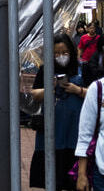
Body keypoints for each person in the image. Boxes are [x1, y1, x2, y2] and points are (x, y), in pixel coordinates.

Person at [30, 33, 86, 190]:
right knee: (52, 178)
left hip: (75, 130)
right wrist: (51, 88)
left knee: (74, 180)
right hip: (52, 131)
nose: (61, 56)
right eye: (56, 53)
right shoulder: (45, 70)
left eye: (64, 52)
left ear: (71, 51)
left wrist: (78, 90)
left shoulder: (83, 68)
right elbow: (35, 94)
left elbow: (96, 92)